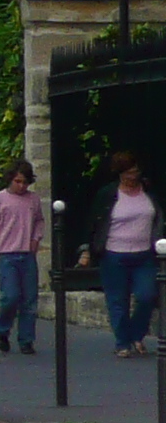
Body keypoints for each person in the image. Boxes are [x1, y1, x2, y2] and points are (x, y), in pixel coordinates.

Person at [79, 151, 159, 357]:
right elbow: (94, 224)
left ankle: (136, 334)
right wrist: (86, 250)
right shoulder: (107, 194)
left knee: (147, 295)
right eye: (129, 173)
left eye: (136, 171)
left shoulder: (148, 190)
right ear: (120, 174)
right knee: (117, 301)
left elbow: (158, 216)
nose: (134, 176)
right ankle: (123, 342)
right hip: (114, 255)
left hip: (144, 255)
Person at [0, 160, 42, 355]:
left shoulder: (33, 200)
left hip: (27, 253)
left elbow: (39, 221)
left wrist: (35, 239)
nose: (21, 186)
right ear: (11, 179)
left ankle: (26, 340)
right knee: (10, 296)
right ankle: (2, 329)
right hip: (6, 253)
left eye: (25, 182)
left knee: (29, 300)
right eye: (17, 181)